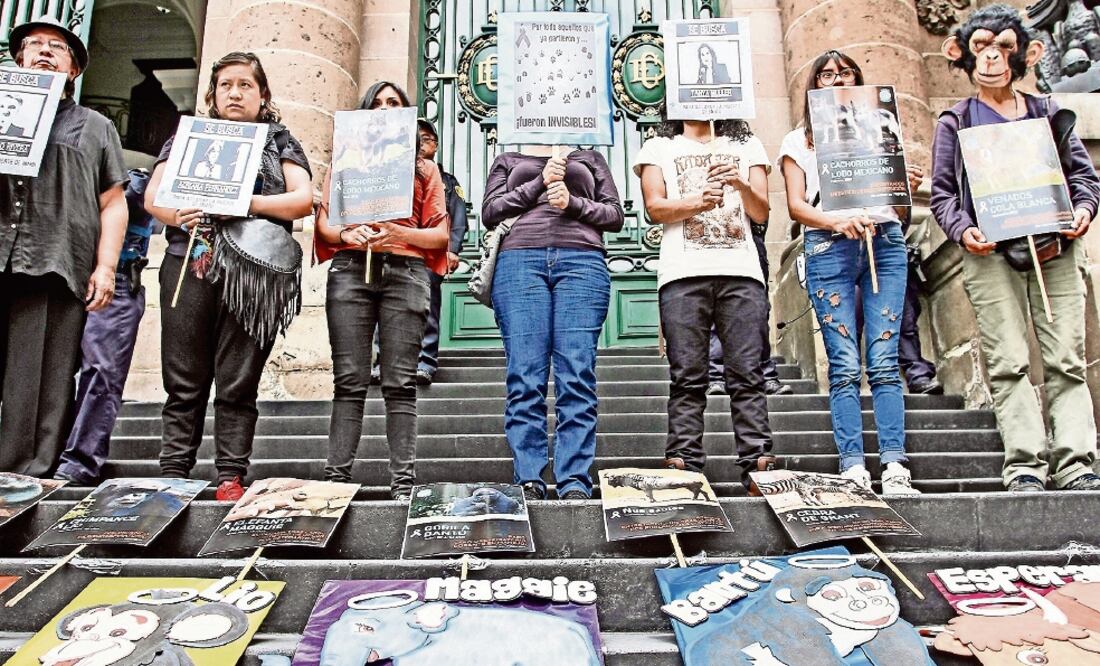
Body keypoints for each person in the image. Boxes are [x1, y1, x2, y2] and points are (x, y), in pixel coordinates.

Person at [932, 4, 1100, 491]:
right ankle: (1025, 464)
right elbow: (942, 193)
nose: (991, 58)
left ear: (1027, 54)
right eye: (981, 47)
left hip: (1056, 247)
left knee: (1066, 358)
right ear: (963, 55)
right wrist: (963, 230)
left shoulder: (1047, 112)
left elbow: (1084, 178)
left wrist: (1083, 212)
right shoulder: (955, 120)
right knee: (1008, 361)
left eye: (1003, 47)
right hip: (991, 255)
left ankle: (1076, 463)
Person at [145, 52, 314, 501]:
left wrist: (244, 203)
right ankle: (174, 473)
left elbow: (302, 199)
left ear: (262, 96)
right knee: (183, 376)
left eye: (245, 85)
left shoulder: (280, 139)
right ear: (213, 93)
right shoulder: (188, 134)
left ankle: (230, 476)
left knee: (238, 379)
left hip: (254, 274)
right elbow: (153, 197)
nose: (235, 92)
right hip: (190, 261)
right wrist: (179, 216)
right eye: (226, 85)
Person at [778, 50, 920, 494]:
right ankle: (853, 464)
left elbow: (899, 208)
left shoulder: (883, 128)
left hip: (885, 240)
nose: (837, 80)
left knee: (883, 359)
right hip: (829, 246)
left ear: (858, 80)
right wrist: (835, 220)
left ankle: (895, 464)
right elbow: (797, 206)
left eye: (845, 73)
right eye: (826, 74)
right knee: (843, 363)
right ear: (814, 86)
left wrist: (906, 188)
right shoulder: (797, 141)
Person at [0, 17, 127, 478]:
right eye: (34, 45)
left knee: (36, 381)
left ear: (74, 69)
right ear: (19, 60)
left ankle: (21, 478)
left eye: (58, 47)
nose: (45, 52)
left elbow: (113, 201)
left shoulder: (94, 126)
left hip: (54, 261)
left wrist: (106, 266)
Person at [316, 81, 450, 500]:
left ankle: (403, 485)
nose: (384, 109)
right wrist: (349, 236)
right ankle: (336, 480)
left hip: (405, 273)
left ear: (406, 114)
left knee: (399, 382)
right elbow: (324, 226)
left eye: (393, 103)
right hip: (352, 269)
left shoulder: (424, 170)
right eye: (375, 103)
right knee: (350, 380)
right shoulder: (343, 163)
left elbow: (441, 236)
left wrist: (396, 232)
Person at [634, 114, 775, 494]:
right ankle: (684, 460)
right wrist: (699, 201)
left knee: (747, 371)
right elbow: (655, 208)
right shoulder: (659, 147)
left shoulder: (747, 146)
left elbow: (761, 212)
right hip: (683, 274)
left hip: (740, 271)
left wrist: (739, 183)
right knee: (687, 375)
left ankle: (758, 461)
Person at [483, 145, 624, 501]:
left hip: (583, 262)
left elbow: (615, 214)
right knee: (525, 374)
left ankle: (574, 478)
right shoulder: (509, 157)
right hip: (518, 261)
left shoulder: (589, 156)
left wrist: (573, 203)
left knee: (576, 373)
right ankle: (529, 476)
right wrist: (539, 185)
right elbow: (490, 211)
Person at [54, 169, 155, 485]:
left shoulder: (136, 182)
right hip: (62, 273)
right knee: (50, 372)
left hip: (119, 277)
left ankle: (78, 463)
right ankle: (52, 455)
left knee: (101, 372)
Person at [706, 220, 793, 397]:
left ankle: (764, 374)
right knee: (713, 308)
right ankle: (716, 376)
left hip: (749, 237)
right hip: (709, 239)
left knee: (757, 311)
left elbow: (761, 210)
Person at [415, 119, 467, 385]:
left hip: (431, 252)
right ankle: (383, 362)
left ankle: (425, 361)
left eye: (426, 138)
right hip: (399, 248)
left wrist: (452, 250)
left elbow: (458, 218)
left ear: (435, 145)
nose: (421, 143)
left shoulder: (447, 181)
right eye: (416, 137)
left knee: (428, 306)